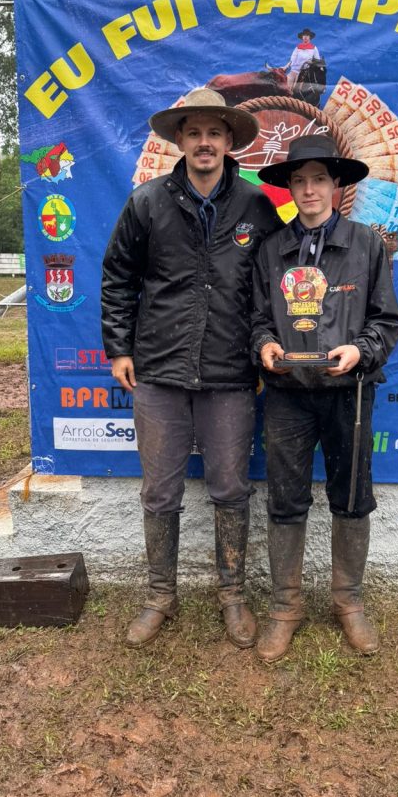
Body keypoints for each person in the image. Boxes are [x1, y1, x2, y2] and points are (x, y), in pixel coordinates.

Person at [101, 87, 283, 650]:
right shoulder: (147, 202)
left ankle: (233, 595)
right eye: (195, 132)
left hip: (230, 371)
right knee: (160, 491)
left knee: (231, 487)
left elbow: (273, 287)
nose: (205, 143)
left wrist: (265, 346)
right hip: (158, 369)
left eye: (215, 133)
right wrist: (119, 348)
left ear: (229, 142)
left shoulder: (256, 206)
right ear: (179, 139)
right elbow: (118, 278)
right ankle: (160, 596)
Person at [251, 134, 398, 663]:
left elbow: (387, 320)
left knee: (352, 495)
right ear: (289, 188)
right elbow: (257, 319)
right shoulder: (270, 249)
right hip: (287, 395)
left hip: (350, 393)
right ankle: (285, 608)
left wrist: (361, 351)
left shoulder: (367, 245)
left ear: (337, 186)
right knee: (284, 498)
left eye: (319, 179)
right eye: (299, 180)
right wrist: (264, 345)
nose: (309, 189)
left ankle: (348, 602)